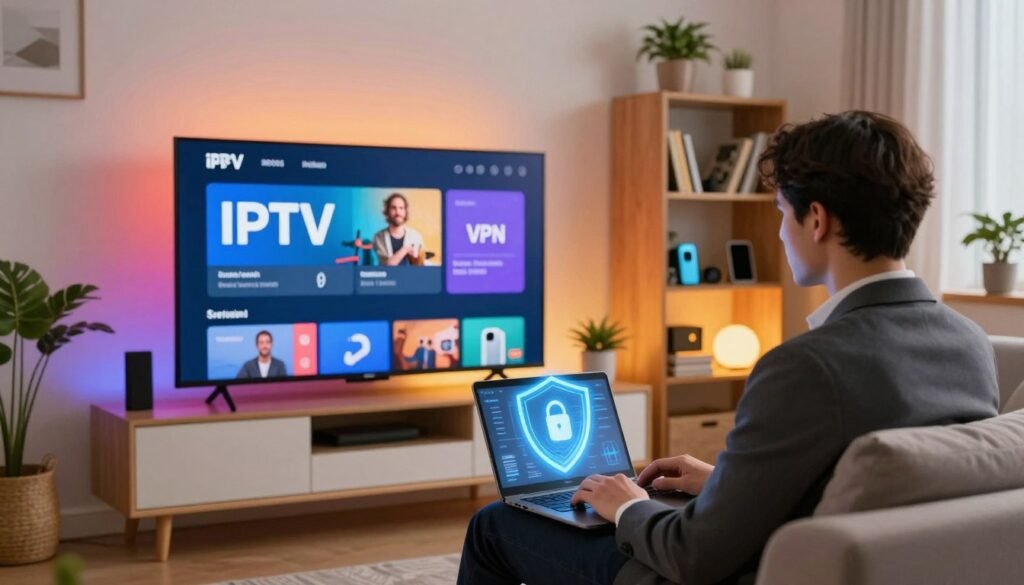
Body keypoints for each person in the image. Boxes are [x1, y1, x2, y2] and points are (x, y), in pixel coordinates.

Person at [457, 111, 1000, 585]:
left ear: (817, 220)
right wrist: (724, 483)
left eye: (781, 213)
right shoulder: (971, 344)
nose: (781, 234)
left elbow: (692, 556)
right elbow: (852, 490)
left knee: (494, 525)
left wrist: (628, 510)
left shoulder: (805, 367)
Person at [373, 193, 425, 266]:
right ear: (387, 211)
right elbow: (387, 266)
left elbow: (421, 265)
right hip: (389, 277)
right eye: (393, 208)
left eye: (401, 208)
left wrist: (417, 258)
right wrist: (405, 249)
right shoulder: (378, 237)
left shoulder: (416, 236)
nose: (397, 212)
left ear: (405, 211)